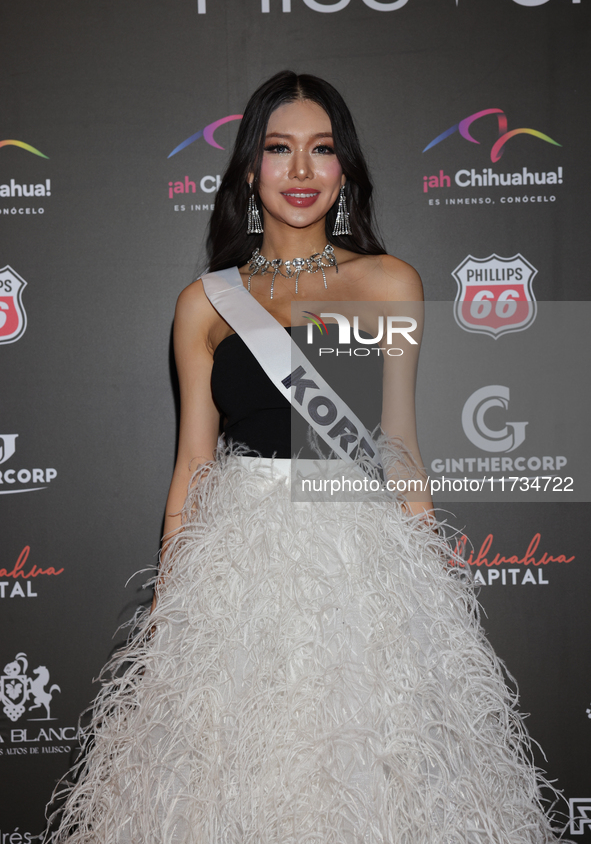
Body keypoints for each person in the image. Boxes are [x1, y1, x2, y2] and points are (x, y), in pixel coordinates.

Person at [45, 71, 567, 843]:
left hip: (356, 553)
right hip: (239, 562)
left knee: (366, 767)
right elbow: (193, 461)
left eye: (320, 150)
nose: (299, 171)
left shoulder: (387, 283)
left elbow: (398, 445)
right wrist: (168, 605)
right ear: (250, 171)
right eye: (278, 150)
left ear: (345, 169)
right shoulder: (207, 302)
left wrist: (433, 591)